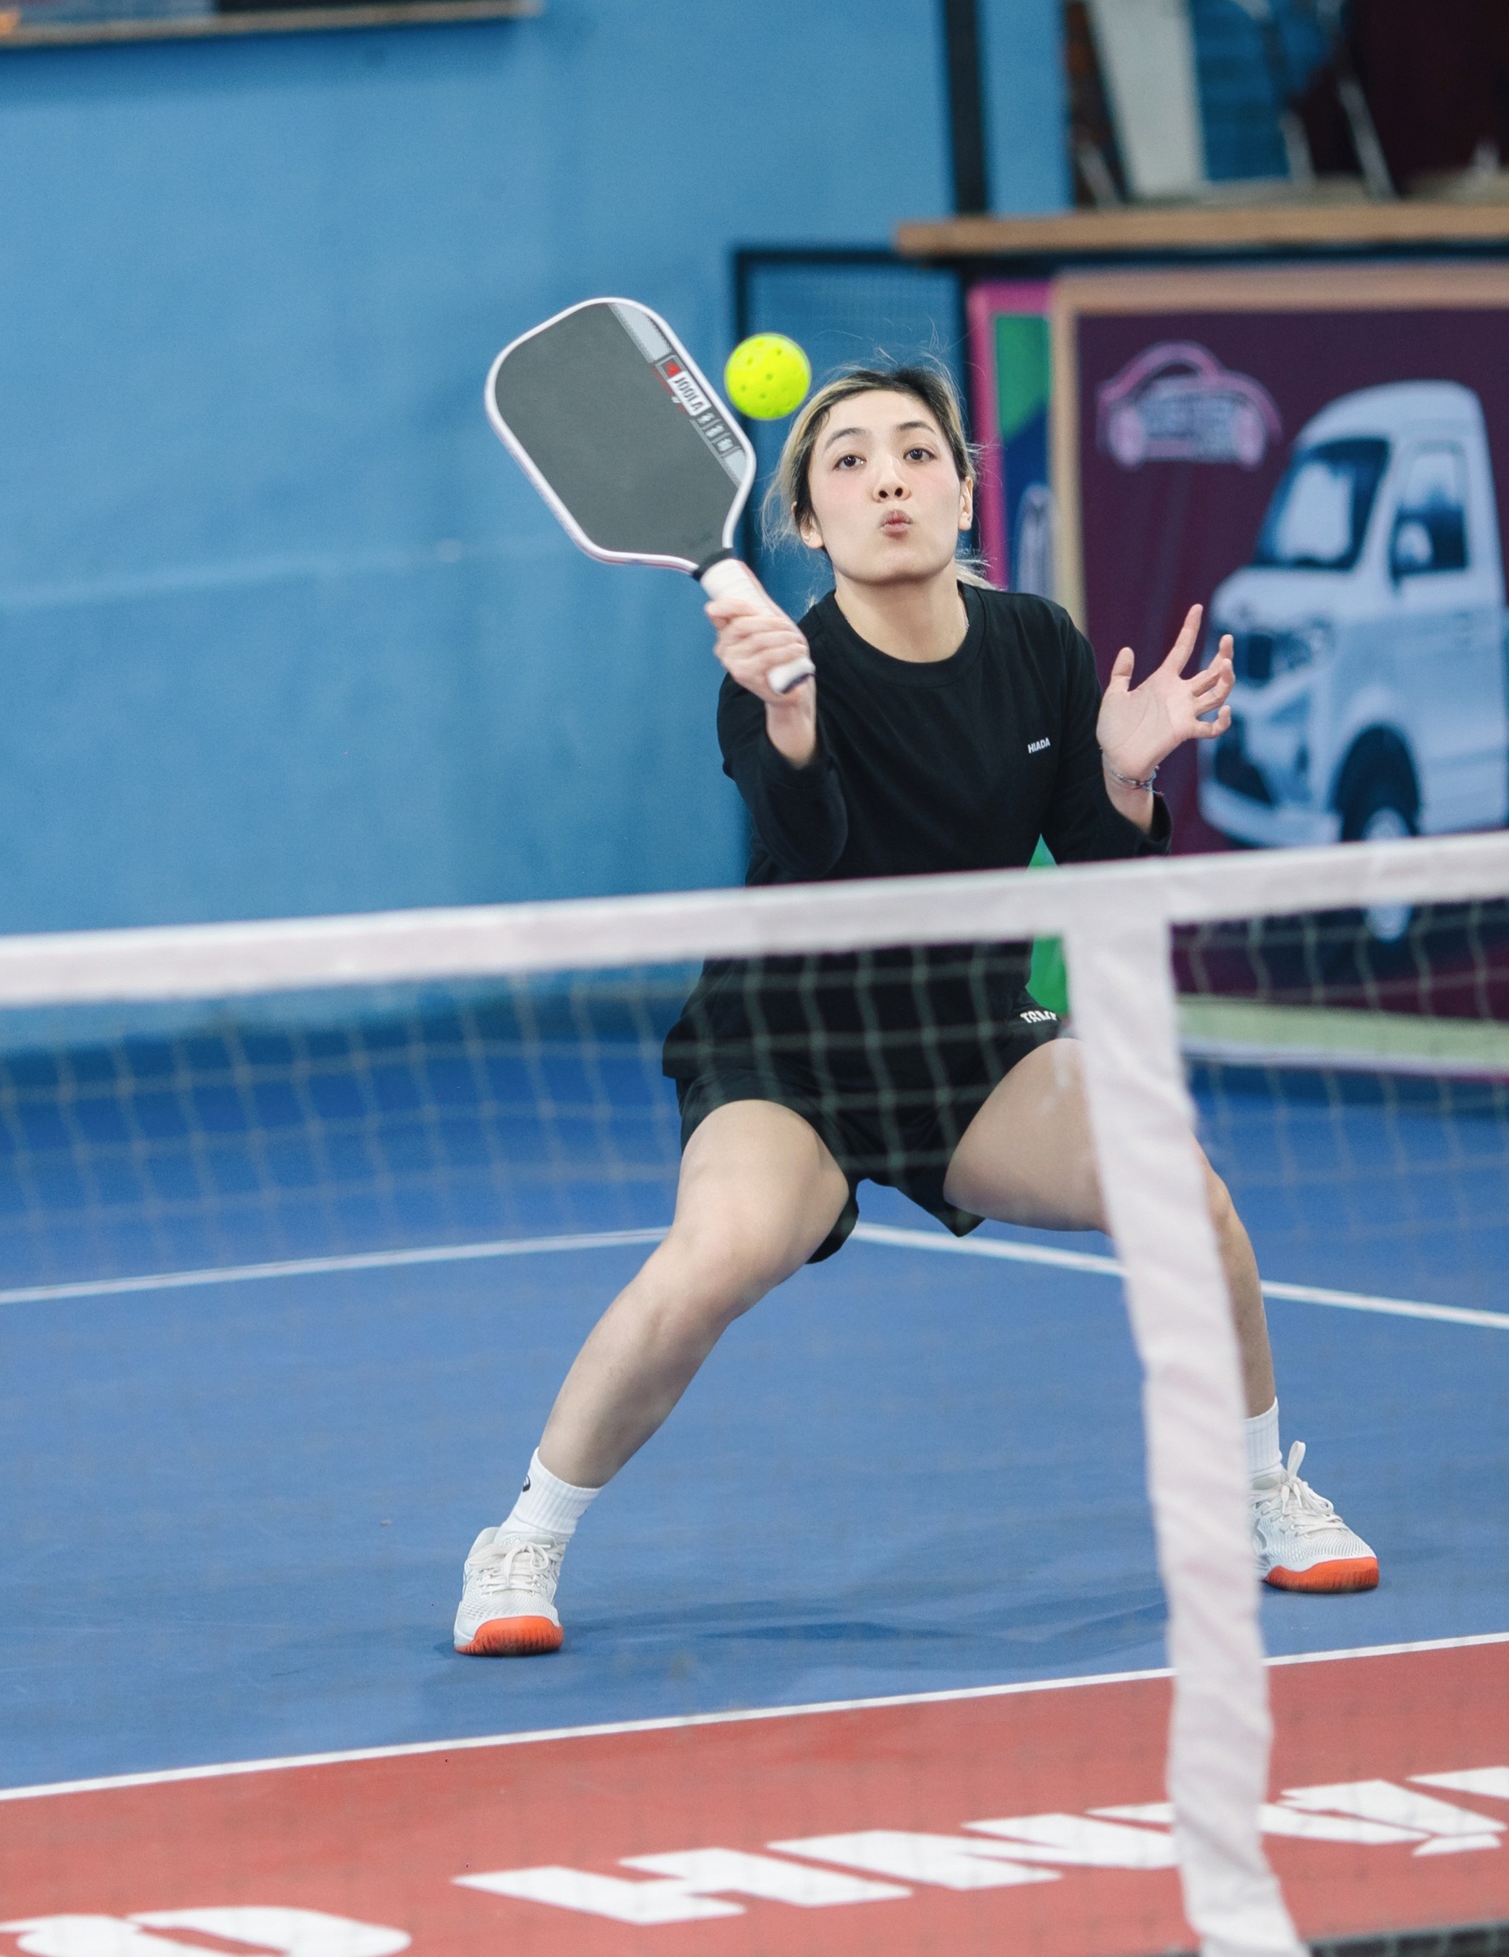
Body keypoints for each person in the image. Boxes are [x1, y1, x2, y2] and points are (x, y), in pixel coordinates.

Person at [454, 365, 1377, 1657]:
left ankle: (1266, 1489)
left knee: (1182, 1188)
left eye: (915, 452)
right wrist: (789, 716)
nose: (887, 477)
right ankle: (524, 1540)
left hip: (968, 1041)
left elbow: (1101, 885)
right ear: (810, 523)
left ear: (964, 493)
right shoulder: (777, 664)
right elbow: (813, 848)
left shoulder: (1040, 646)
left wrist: (1122, 779)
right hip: (790, 1048)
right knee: (719, 1256)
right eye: (847, 461)